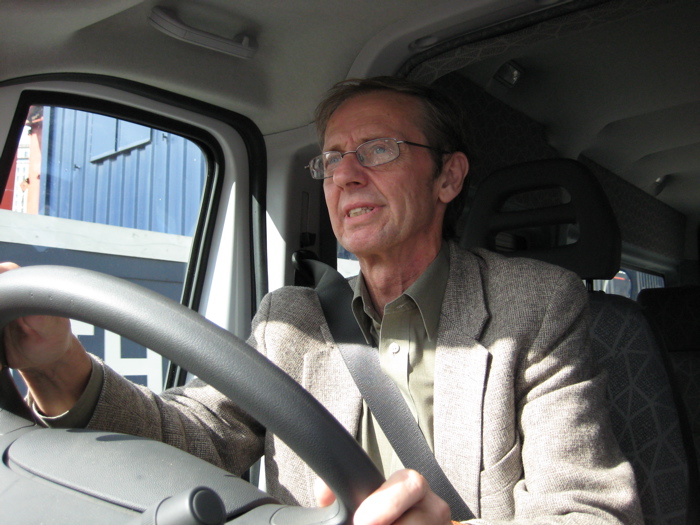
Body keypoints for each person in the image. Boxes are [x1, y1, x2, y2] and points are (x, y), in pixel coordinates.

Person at [0, 77, 642, 524]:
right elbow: (198, 435)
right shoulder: (291, 320)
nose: (346, 174)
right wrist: (59, 364)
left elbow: (589, 511)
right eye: (333, 159)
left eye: (378, 150)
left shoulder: (534, 307)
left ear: (448, 176)